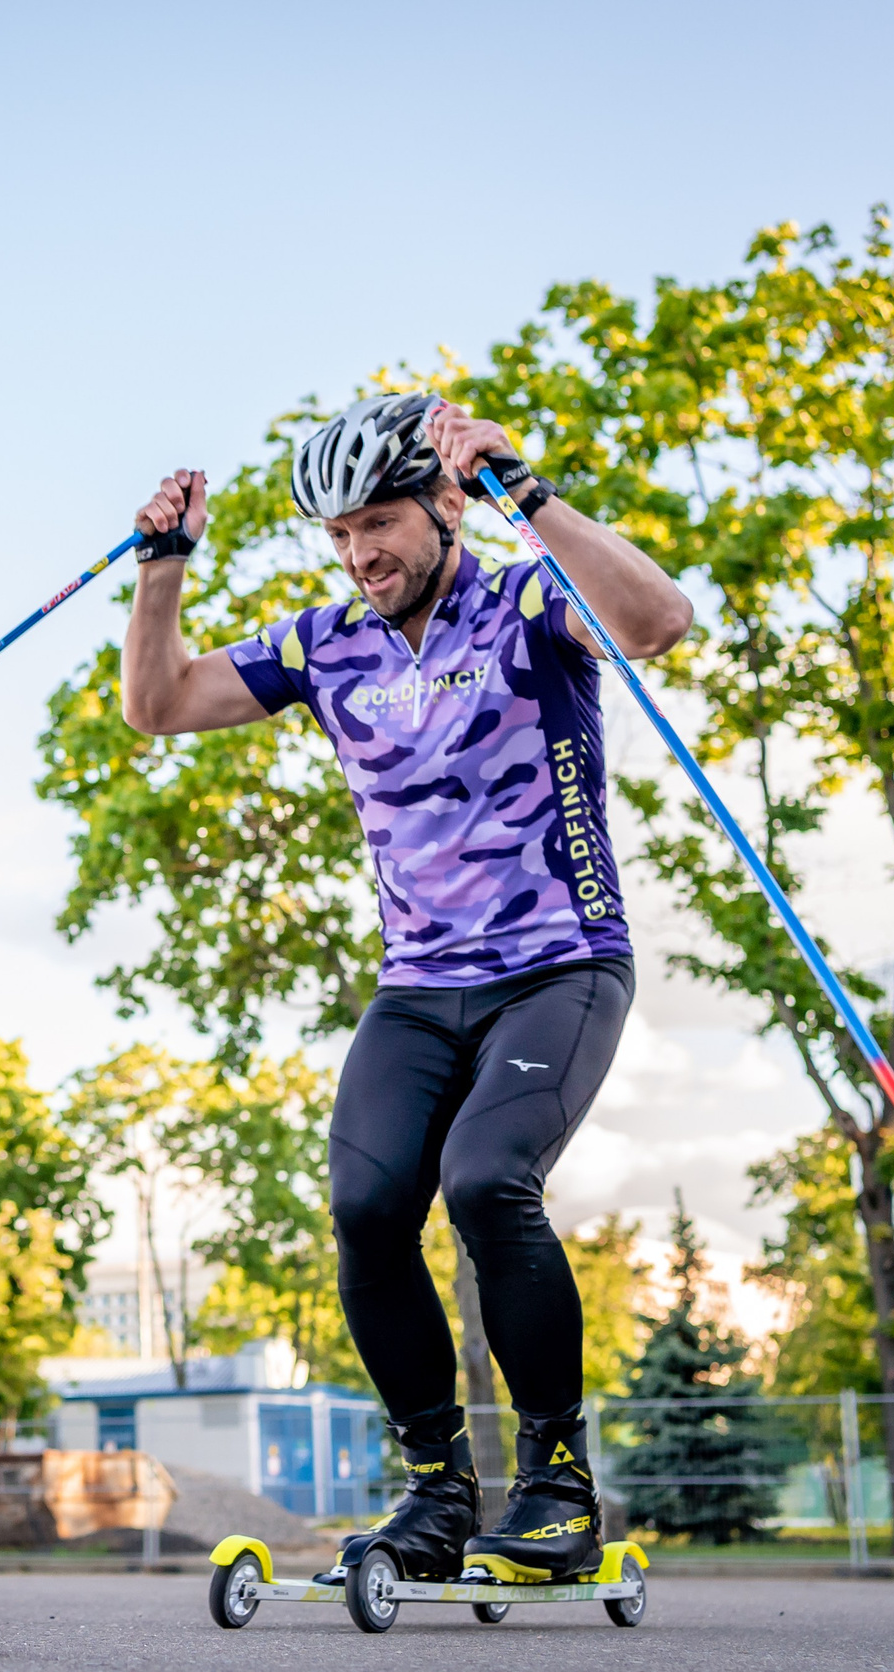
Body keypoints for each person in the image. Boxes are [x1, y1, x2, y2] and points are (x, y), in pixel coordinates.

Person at [121, 395, 690, 1583]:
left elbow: (657, 622)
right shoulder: (325, 643)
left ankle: (556, 1488)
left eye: (377, 520)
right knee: (368, 1209)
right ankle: (437, 1491)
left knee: (488, 1181)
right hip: (420, 984)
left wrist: (524, 491)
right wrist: (163, 567)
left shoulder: (529, 601)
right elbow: (158, 704)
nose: (358, 551)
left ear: (443, 505)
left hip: (559, 963)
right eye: (336, 533)